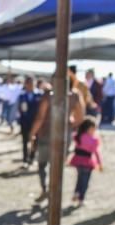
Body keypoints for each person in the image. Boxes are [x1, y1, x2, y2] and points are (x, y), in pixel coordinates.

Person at [28, 72, 86, 203]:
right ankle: (53, 191)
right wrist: (70, 123)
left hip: (47, 134)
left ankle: (46, 189)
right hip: (64, 134)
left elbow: (40, 117)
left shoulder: (49, 94)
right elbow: (80, 116)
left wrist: (32, 134)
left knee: (43, 164)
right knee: (57, 166)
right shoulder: (75, 94)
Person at [68, 117, 103, 206]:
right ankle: (81, 199)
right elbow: (96, 152)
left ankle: (76, 193)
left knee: (79, 178)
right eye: (94, 129)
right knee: (85, 181)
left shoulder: (78, 136)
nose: (94, 131)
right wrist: (99, 163)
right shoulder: (93, 140)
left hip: (77, 160)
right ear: (89, 128)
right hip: (87, 162)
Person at [17, 76, 42, 167]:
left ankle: (31, 158)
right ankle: (25, 160)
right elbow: (19, 109)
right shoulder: (22, 95)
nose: (31, 85)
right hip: (25, 122)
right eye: (29, 83)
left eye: (32, 83)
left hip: (36, 123)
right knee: (25, 141)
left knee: (35, 141)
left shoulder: (40, 95)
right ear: (26, 84)